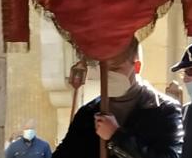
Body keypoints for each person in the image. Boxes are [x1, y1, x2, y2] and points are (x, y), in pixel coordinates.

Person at [53, 37, 183, 158]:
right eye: (104, 69)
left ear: (136, 67)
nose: (109, 75)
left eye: (115, 68)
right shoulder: (88, 112)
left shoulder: (164, 110)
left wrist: (116, 136)